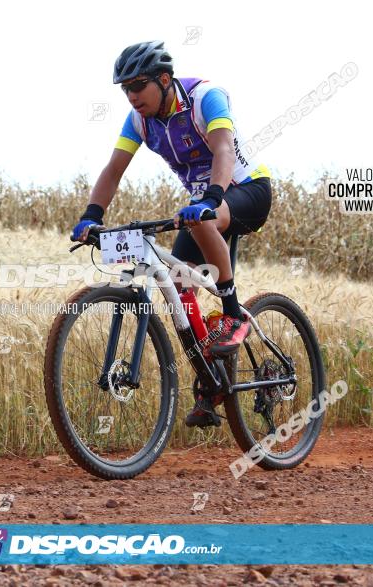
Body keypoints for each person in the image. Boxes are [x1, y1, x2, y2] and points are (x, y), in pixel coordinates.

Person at [72, 40, 274, 428]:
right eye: (124, 89)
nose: (131, 96)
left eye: (137, 86)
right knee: (182, 293)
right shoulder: (138, 121)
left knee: (201, 220)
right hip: (204, 205)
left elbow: (224, 149)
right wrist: (91, 217)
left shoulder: (205, 98)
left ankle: (233, 314)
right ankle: (211, 387)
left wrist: (213, 197)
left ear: (164, 79)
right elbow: (114, 169)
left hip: (246, 190)